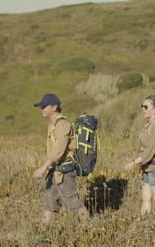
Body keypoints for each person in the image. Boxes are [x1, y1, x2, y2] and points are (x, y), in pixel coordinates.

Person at [33, 93, 89, 223]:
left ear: (54, 107)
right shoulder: (53, 124)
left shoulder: (62, 124)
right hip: (55, 169)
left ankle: (90, 228)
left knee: (73, 203)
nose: (41, 109)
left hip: (65, 170)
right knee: (49, 202)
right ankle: (42, 232)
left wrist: (44, 167)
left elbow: (59, 150)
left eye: (44, 106)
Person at [123, 95, 155, 215]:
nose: (143, 109)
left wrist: (134, 163)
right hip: (147, 165)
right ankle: (143, 223)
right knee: (146, 198)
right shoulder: (150, 124)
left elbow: (150, 150)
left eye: (146, 107)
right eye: (142, 106)